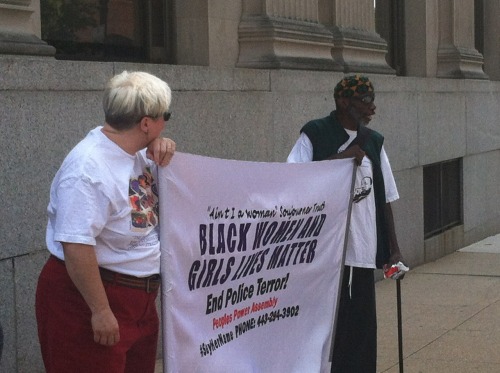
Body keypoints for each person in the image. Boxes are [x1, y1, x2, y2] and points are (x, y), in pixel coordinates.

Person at [35, 71, 176, 373]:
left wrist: (162, 145)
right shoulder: (88, 168)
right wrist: (100, 310)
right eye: (166, 115)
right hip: (91, 297)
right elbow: (76, 244)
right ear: (146, 123)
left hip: (138, 299)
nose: (166, 122)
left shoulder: (135, 152)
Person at [287, 75, 406, 372]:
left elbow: (385, 199)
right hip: (325, 257)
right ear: (343, 101)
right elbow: (292, 183)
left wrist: (393, 249)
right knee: (328, 337)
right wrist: (340, 159)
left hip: (362, 254)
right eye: (365, 101)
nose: (372, 107)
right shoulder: (314, 134)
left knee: (362, 336)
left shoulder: (375, 143)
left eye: (372, 100)